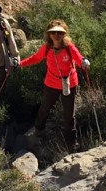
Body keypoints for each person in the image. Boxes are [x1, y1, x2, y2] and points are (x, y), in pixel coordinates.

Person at [18, 20, 89, 150]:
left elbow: (79, 58)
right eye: (53, 32)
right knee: (45, 107)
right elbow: (35, 58)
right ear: (49, 34)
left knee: (69, 114)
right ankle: (38, 130)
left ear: (64, 34)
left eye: (60, 33)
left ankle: (71, 142)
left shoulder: (69, 47)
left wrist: (84, 62)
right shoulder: (46, 48)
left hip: (69, 83)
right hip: (51, 83)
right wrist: (21, 63)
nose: (56, 35)